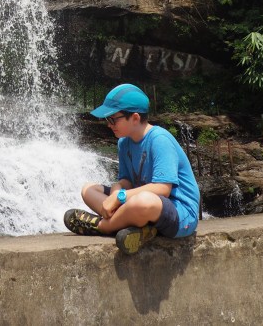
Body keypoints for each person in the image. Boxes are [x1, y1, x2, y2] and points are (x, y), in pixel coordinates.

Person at [64, 83, 200, 255]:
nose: (109, 124)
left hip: (180, 215)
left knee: (143, 201)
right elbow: (126, 180)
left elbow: (163, 189)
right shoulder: (124, 142)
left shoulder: (160, 139)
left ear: (135, 118)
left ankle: (103, 226)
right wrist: (116, 190)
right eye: (107, 119)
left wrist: (119, 197)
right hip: (141, 205)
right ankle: (140, 228)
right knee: (88, 190)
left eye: (113, 119)